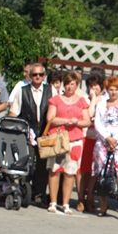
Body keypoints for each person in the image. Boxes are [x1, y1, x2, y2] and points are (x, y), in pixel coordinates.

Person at [44, 72, 91, 214]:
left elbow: (87, 121)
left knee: (70, 172)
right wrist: (66, 121)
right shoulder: (56, 100)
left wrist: (76, 122)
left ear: (76, 85)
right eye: (67, 84)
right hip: (58, 138)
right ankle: (53, 202)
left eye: (72, 84)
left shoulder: (82, 101)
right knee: (55, 170)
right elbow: (50, 118)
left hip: (75, 140)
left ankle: (66, 203)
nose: (69, 87)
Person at [9, 62, 53, 205]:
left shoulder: (51, 90)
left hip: (45, 134)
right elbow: (14, 112)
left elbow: (57, 110)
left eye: (40, 74)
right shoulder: (22, 91)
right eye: (35, 74)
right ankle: (23, 193)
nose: (38, 77)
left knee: (42, 167)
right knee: (26, 165)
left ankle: (40, 195)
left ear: (44, 76)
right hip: (28, 134)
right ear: (30, 75)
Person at [93, 76, 118, 219]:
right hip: (103, 142)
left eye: (116, 89)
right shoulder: (101, 105)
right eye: (111, 89)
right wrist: (107, 138)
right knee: (102, 174)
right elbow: (97, 124)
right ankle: (103, 205)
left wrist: (114, 140)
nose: (114, 92)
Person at [80, 72, 106, 212]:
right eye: (91, 85)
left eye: (96, 85)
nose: (93, 88)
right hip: (85, 137)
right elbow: (88, 115)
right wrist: (93, 99)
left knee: (93, 172)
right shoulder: (84, 99)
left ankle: (90, 198)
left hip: (98, 139)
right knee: (83, 171)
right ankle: (80, 199)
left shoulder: (105, 100)